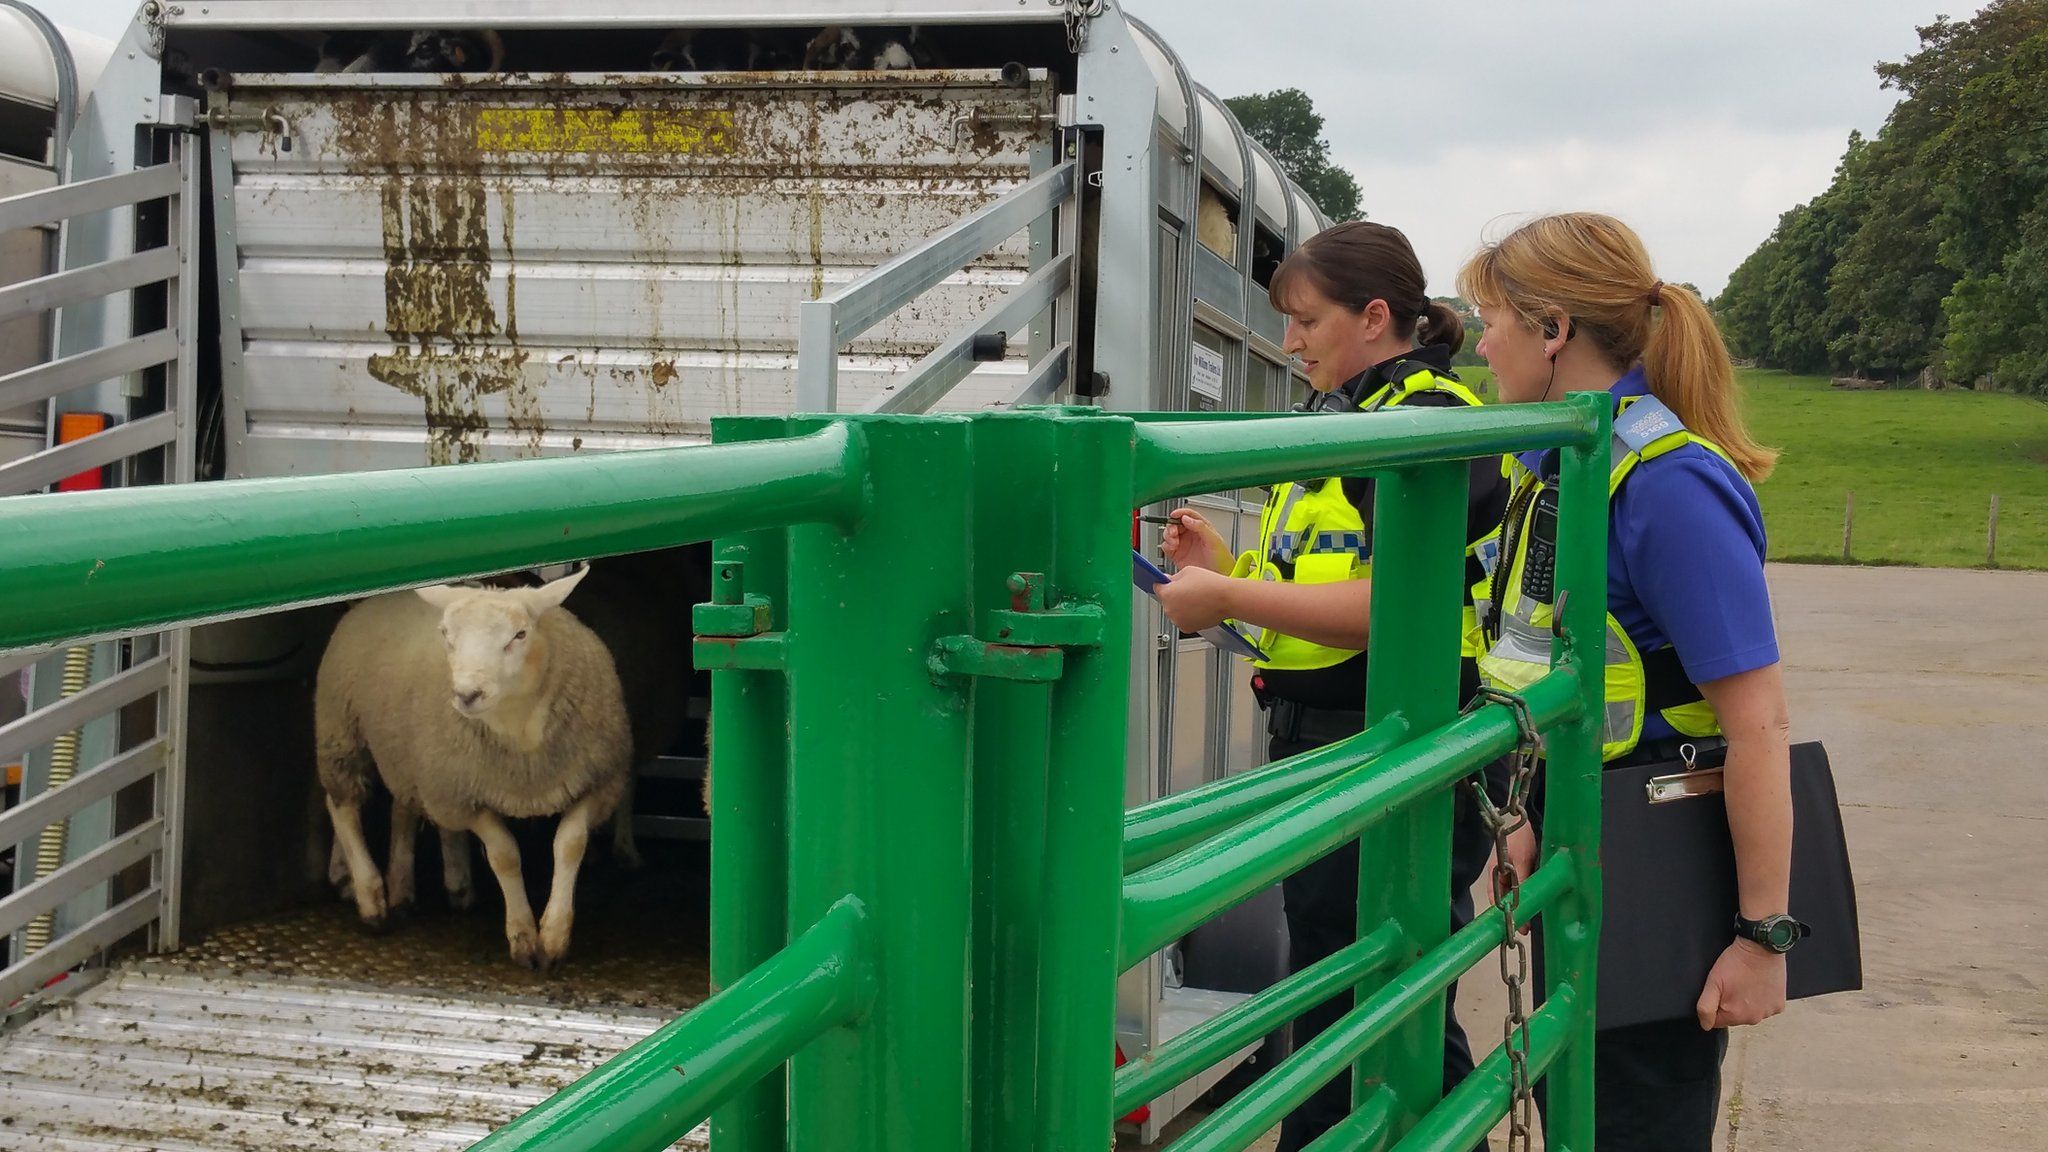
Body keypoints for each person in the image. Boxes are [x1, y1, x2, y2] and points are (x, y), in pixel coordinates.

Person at [1154, 220, 1509, 1152]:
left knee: (1384, 995)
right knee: (1350, 984)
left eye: (1307, 320)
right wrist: (1222, 573)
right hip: (1337, 736)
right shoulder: (1356, 413)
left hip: (1381, 738)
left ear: (1376, 316)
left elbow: (1402, 605)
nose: (1291, 340)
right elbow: (1321, 593)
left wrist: (1225, 592)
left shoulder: (1415, 422)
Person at [1459, 212, 1797, 1152]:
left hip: (1656, 867)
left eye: (1492, 318)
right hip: (1573, 845)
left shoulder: (1667, 484)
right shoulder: (1557, 467)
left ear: (1554, 330)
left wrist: (1763, 935)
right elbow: (1539, 669)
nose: (1478, 340)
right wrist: (1520, 814)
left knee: (1631, 1122)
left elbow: (1759, 723)